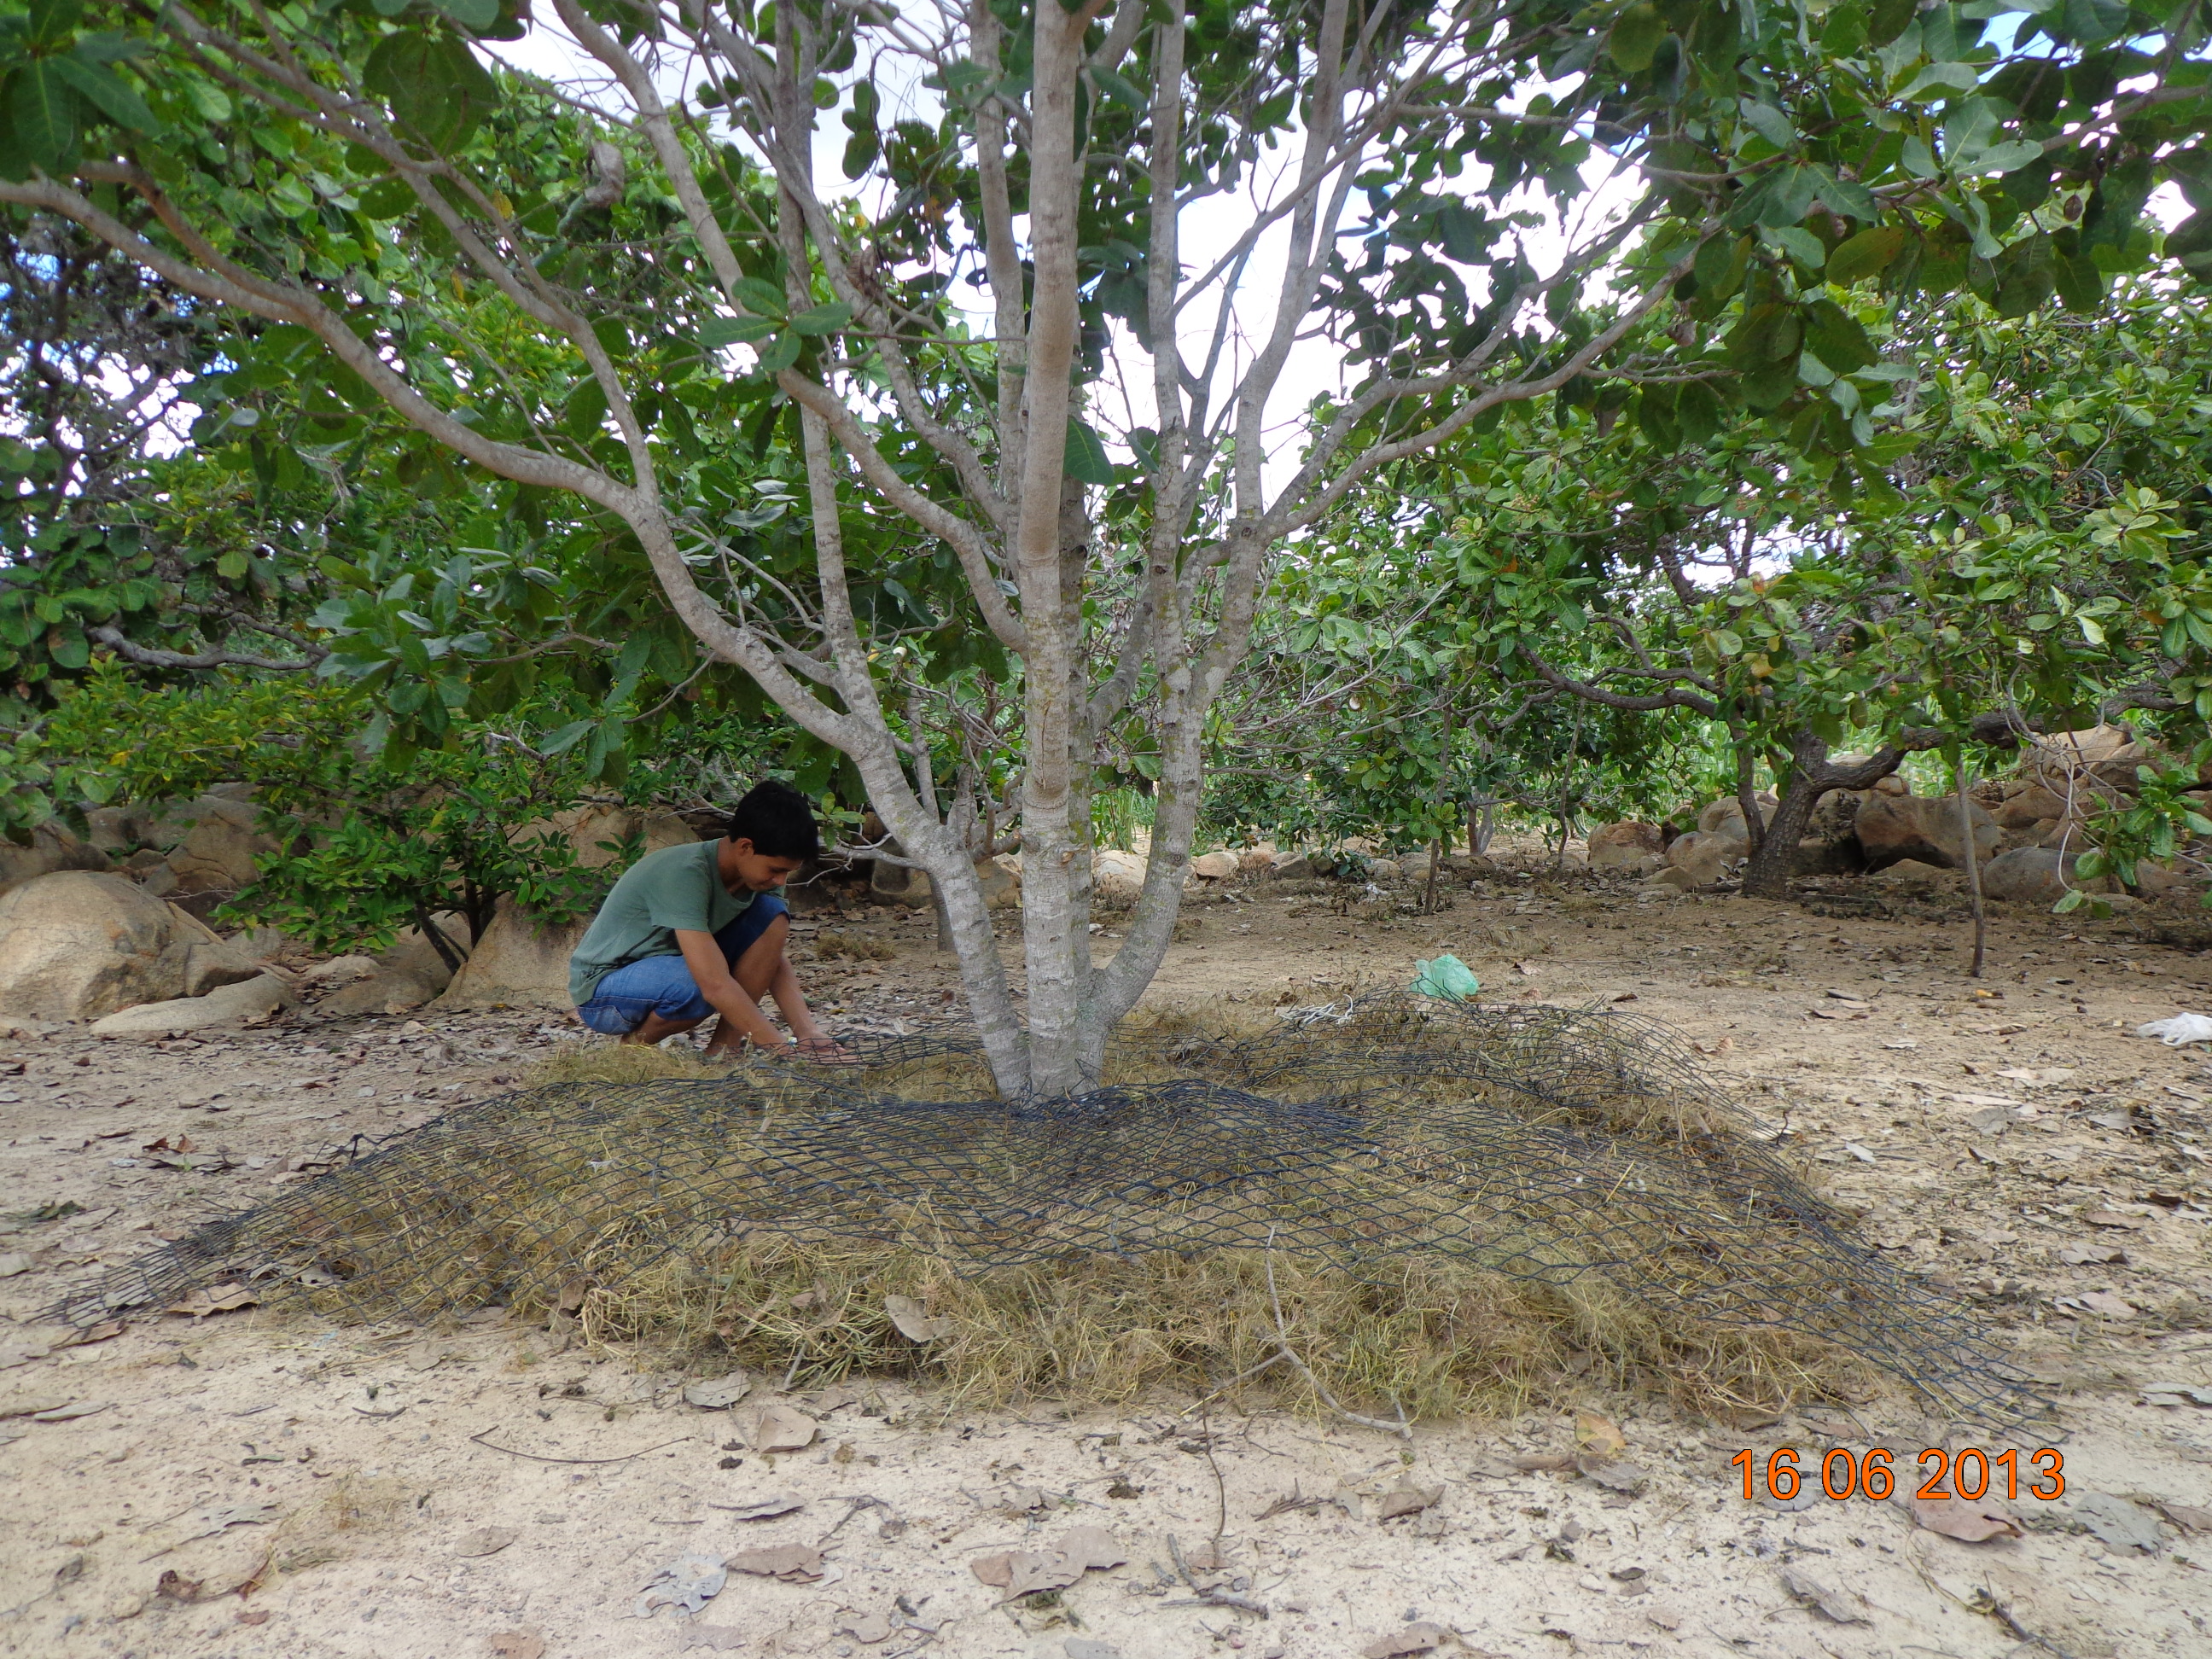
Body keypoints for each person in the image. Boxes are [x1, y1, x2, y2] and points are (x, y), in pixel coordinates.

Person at [568, 780, 843, 1058]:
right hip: (604, 993)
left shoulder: (759, 878)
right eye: (776, 870)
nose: (780, 880)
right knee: (699, 985)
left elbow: (769, 957)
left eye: (787, 872)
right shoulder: (686, 874)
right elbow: (713, 984)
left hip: (671, 970)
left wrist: (807, 1032)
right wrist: (783, 1051)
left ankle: (724, 1051)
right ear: (745, 847)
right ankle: (630, 1053)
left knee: (771, 916)